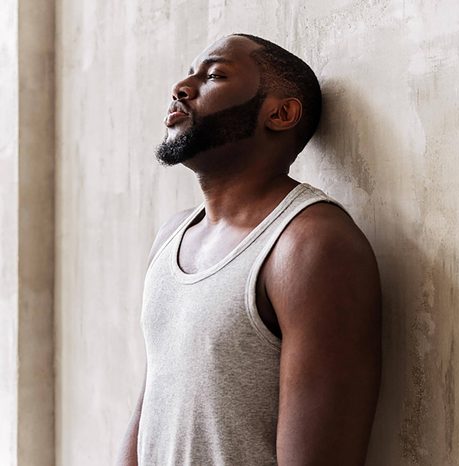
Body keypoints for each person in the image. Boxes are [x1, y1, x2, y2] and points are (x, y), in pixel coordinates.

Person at [117, 33, 382, 465]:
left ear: (280, 114)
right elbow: (152, 407)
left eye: (215, 74)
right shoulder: (171, 237)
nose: (182, 88)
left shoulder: (310, 245)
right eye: (189, 73)